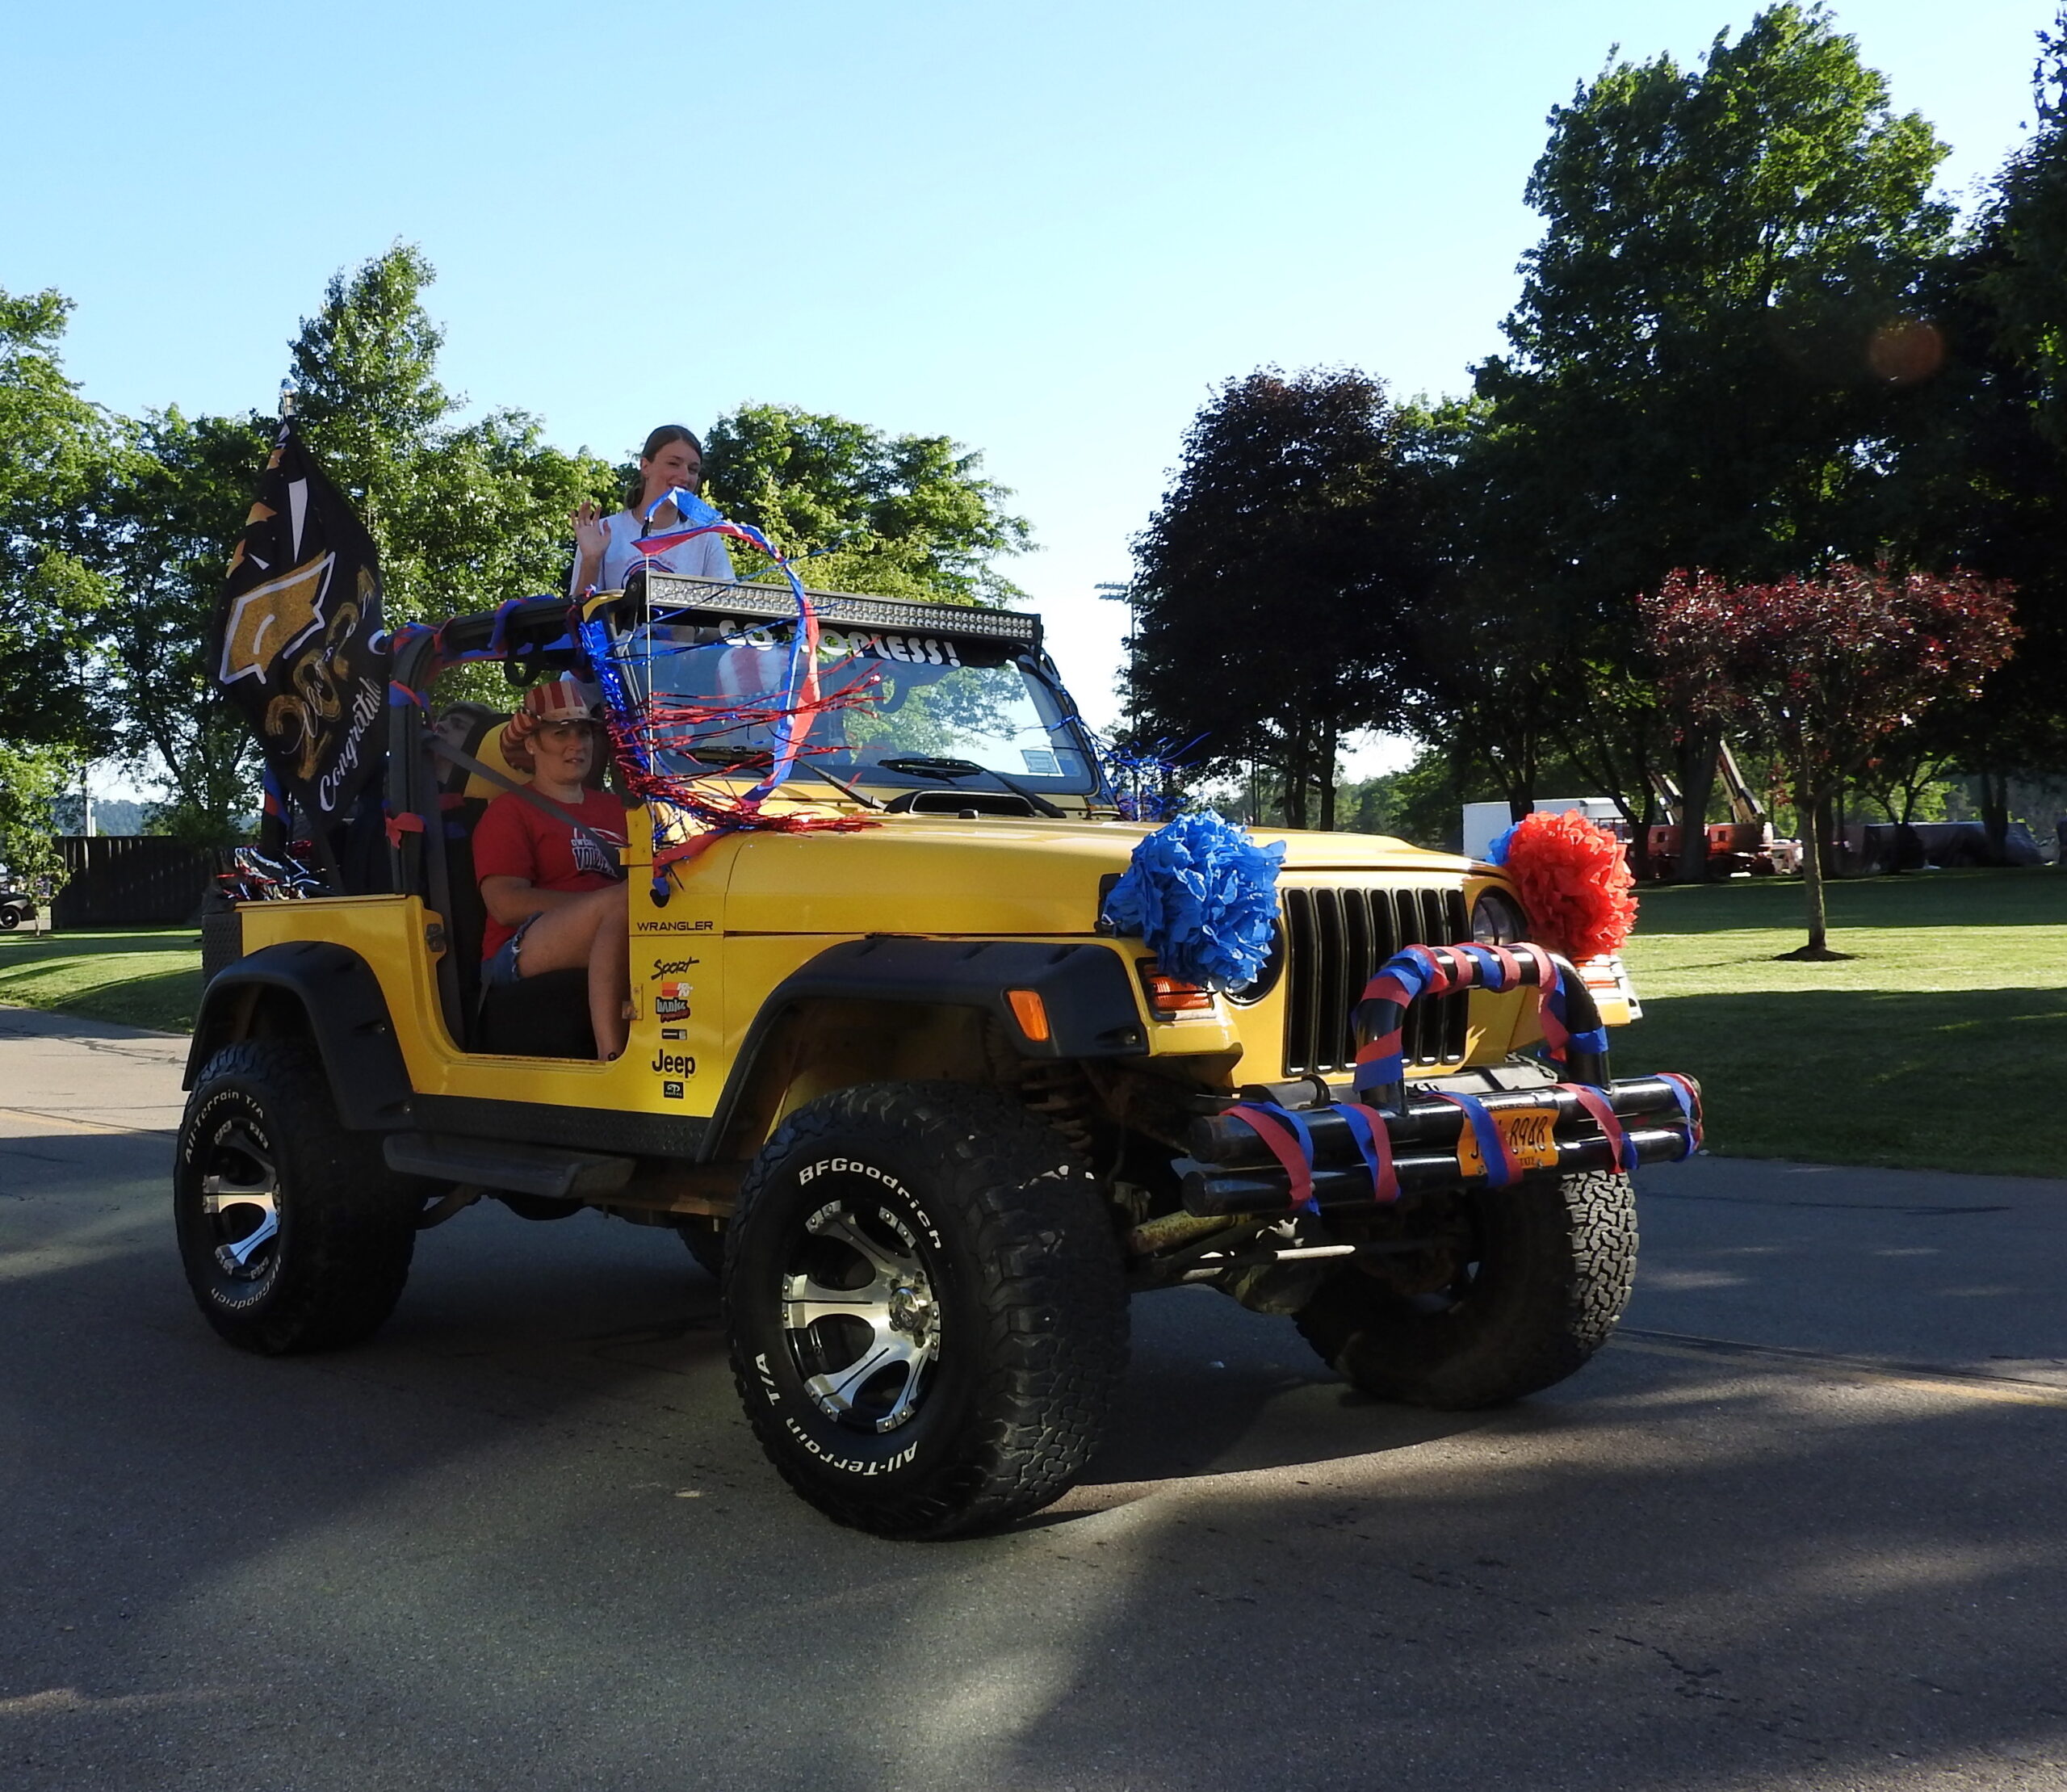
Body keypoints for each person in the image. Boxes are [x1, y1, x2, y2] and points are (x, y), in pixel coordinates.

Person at [472, 678, 632, 1060]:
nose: (576, 744)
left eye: (584, 733)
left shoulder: (618, 810)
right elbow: (505, 905)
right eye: (561, 734)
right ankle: (614, 1062)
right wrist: (597, 906)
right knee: (623, 904)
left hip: (607, 924)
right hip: (515, 951)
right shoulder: (509, 811)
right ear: (532, 743)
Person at [570, 424, 736, 594]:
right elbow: (578, 615)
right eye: (673, 464)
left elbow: (726, 608)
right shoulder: (604, 532)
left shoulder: (705, 538)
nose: (684, 477)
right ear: (645, 467)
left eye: (693, 470)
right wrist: (591, 560)